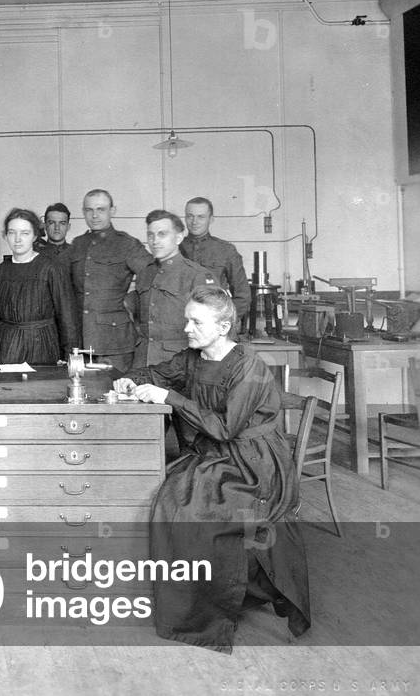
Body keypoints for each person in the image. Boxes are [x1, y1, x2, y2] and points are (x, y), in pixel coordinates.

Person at [112, 286, 310, 652]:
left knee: (193, 505)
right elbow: (156, 372)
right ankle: (190, 602)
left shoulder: (248, 365)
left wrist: (168, 397)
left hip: (254, 462)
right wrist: (133, 379)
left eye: (195, 321)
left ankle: (208, 611)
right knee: (170, 496)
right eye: (187, 319)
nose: (187, 327)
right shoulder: (194, 356)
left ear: (223, 326)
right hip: (215, 453)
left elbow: (225, 428)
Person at [62, 189, 153, 371]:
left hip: (115, 341)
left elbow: (153, 276)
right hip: (81, 340)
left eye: (101, 209)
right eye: (89, 210)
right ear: (83, 212)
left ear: (113, 211)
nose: (94, 215)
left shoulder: (127, 244)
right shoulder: (78, 244)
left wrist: (130, 302)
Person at [0, 208, 78, 364]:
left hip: (43, 346)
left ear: (35, 236)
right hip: (7, 347)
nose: (18, 239)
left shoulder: (51, 268)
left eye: (25, 233)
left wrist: (70, 356)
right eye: (12, 233)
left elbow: (66, 315)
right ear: (5, 235)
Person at [133, 209, 215, 367]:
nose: (155, 241)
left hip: (179, 364)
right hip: (143, 362)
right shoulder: (145, 273)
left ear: (178, 238)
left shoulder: (196, 275)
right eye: (150, 235)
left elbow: (211, 329)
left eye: (162, 234)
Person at [181, 197, 251, 327]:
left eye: (201, 217)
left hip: (215, 327)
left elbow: (243, 295)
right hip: (181, 327)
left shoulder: (226, 250)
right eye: (190, 216)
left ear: (211, 219)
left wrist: (224, 321)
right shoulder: (175, 249)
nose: (194, 222)